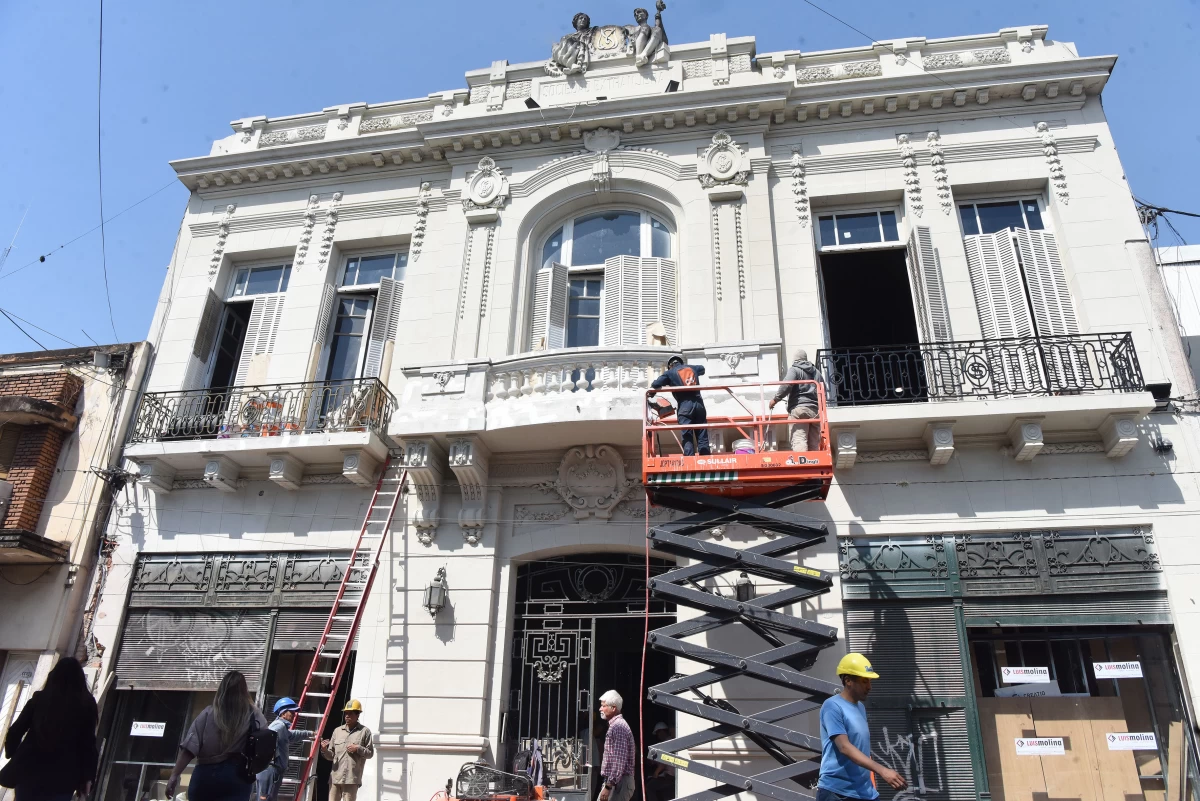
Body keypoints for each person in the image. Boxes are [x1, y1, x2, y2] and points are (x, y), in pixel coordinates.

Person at [0, 657, 98, 801]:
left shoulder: (40, 699)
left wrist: (14, 754)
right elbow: (88, 745)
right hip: (63, 777)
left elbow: (15, 731)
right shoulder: (86, 705)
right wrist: (87, 777)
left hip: (29, 771)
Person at [166, 670, 268, 801]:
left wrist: (174, 775)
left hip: (205, 775)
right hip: (238, 776)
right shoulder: (254, 714)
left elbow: (189, 748)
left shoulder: (208, 713)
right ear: (244, 690)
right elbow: (264, 745)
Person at [817, 654, 906, 801]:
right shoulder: (832, 706)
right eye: (865, 681)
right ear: (848, 681)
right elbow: (844, 747)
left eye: (870, 681)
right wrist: (882, 770)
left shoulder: (860, 707)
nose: (869, 687)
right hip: (838, 792)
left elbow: (860, 747)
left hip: (864, 791)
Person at [651, 356, 711, 456]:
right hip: (699, 404)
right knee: (702, 432)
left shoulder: (670, 372)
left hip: (684, 405)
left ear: (670, 365)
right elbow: (702, 369)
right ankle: (705, 458)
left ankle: (689, 459)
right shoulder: (692, 368)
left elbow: (656, 384)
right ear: (681, 363)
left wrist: (652, 392)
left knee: (687, 434)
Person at [256, 698, 311, 801]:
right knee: (266, 799)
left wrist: (309, 733)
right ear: (283, 713)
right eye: (292, 711)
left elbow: (292, 735)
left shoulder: (282, 727)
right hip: (270, 770)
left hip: (272, 770)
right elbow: (266, 741)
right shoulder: (279, 726)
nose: (294, 714)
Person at [770, 349, 823, 452]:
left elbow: (786, 385)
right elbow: (822, 390)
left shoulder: (794, 369)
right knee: (814, 443)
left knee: (799, 438)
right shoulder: (816, 372)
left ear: (796, 359)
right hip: (815, 411)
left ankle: (803, 463)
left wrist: (775, 399)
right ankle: (813, 463)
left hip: (799, 408)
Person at [320, 699, 374, 801]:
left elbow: (370, 754)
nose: (347, 716)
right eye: (346, 713)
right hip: (335, 777)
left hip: (351, 779)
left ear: (358, 715)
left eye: (350, 713)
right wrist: (324, 750)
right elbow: (331, 756)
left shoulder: (364, 731)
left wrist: (358, 748)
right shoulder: (337, 731)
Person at [596, 691, 634, 801]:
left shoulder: (618, 727)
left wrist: (608, 786)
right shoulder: (616, 726)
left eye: (603, 706)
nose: (600, 709)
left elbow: (619, 760)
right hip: (615, 783)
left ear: (613, 708)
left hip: (618, 784)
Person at [645, 722, 675, 801]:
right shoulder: (670, 741)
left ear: (662, 731)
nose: (658, 736)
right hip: (669, 775)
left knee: (650, 787)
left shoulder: (667, 743)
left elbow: (664, 762)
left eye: (658, 733)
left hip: (670, 777)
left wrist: (656, 773)